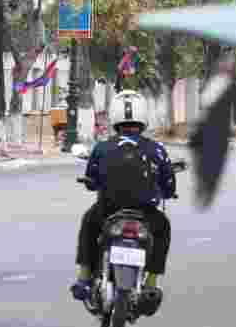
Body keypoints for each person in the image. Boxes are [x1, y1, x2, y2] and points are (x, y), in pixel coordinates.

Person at [70, 91, 176, 314]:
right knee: (163, 228)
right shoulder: (156, 149)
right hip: (146, 214)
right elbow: (169, 185)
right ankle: (152, 281)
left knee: (89, 223)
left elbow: (92, 180)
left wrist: (94, 183)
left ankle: (84, 276)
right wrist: (166, 192)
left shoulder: (102, 147)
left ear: (114, 117)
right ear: (143, 117)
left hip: (108, 211)